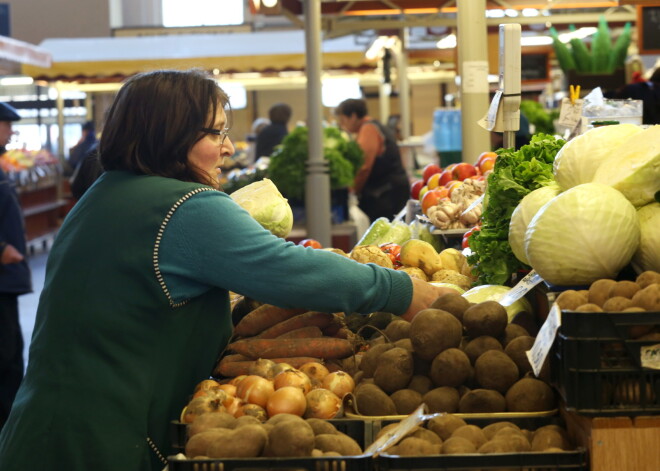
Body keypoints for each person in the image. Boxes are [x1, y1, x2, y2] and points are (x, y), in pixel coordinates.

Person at [0, 69, 453, 471]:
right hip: (106, 442)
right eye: (216, 133)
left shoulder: (104, 194)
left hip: (42, 429)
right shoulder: (183, 206)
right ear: (170, 134)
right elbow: (290, 269)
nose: (229, 147)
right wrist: (404, 291)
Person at [0, 102, 32, 431]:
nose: (10, 132)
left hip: (7, 283)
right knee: (5, 361)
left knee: (10, 359)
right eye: (6, 125)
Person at [335, 98, 410, 222]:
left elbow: (364, 166)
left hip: (386, 195)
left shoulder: (368, 129)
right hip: (391, 191)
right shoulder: (375, 126)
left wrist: (353, 189)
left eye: (343, 120)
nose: (342, 125)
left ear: (353, 116)